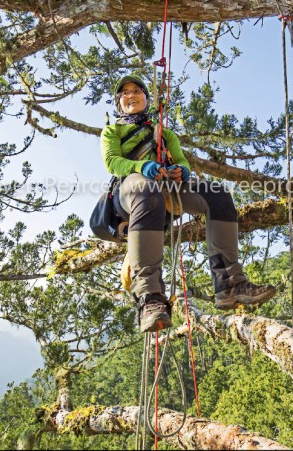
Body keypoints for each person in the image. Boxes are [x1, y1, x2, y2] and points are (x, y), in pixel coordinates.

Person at [100, 74, 277, 333]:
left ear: (146, 99)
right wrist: (142, 166)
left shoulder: (164, 134)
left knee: (217, 193)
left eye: (137, 90)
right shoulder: (112, 131)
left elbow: (181, 160)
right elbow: (112, 162)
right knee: (146, 189)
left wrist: (182, 172)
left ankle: (230, 284)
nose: (131, 95)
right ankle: (150, 298)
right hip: (131, 191)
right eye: (125, 93)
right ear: (119, 103)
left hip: (166, 189)